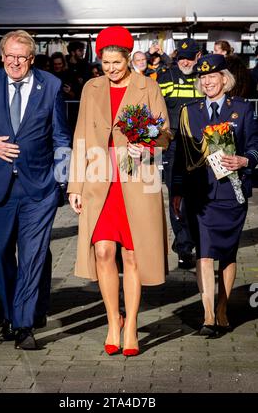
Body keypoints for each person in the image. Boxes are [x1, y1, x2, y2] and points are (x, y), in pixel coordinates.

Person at [0, 30, 71, 349]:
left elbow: (62, 137)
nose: (15, 62)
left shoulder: (49, 85)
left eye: (22, 57)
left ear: (32, 59)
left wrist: (63, 180)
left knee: (33, 254)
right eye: (10, 56)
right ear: (2, 56)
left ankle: (23, 326)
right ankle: (11, 315)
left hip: (40, 187)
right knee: (0, 251)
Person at [68, 26, 171, 356]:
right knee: (102, 252)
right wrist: (75, 185)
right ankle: (113, 319)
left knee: (133, 253)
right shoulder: (91, 88)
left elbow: (164, 133)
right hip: (99, 178)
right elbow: (80, 136)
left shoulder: (148, 86)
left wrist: (149, 144)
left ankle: (132, 326)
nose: (110, 68)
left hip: (137, 179)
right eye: (105, 61)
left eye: (116, 61)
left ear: (129, 58)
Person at [172, 54, 258, 335]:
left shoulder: (243, 109)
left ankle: (222, 306)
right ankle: (208, 314)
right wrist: (176, 190)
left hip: (232, 194)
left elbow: (255, 145)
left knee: (228, 254)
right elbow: (180, 155)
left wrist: (246, 161)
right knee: (205, 252)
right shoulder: (190, 111)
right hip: (201, 195)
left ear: (224, 79)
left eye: (212, 76)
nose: (207, 81)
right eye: (203, 77)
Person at [158, 38, 204, 269]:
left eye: (189, 57)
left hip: (200, 146)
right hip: (174, 146)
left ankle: (198, 239)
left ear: (198, 56)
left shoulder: (205, 78)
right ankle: (184, 248)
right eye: (180, 58)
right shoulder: (166, 77)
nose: (184, 61)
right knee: (176, 196)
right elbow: (155, 108)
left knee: (199, 196)